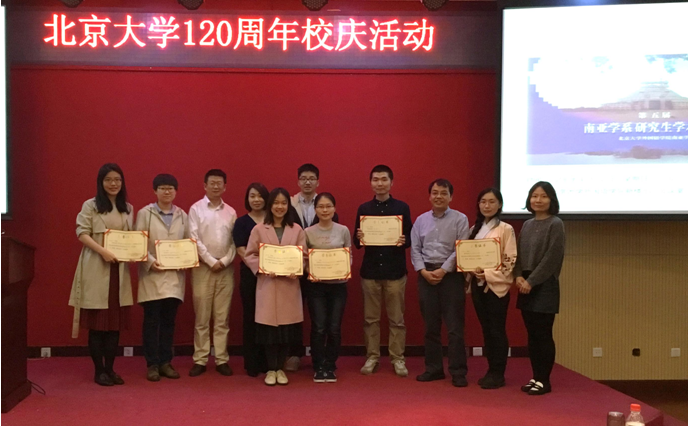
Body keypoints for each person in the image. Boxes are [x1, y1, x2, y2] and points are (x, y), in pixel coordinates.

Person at [69, 163, 134, 386]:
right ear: (101, 182)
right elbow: (81, 233)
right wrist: (103, 252)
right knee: (98, 325)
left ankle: (110, 369)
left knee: (114, 325)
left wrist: (134, 251)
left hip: (118, 272)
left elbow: (131, 239)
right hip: (96, 269)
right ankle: (99, 371)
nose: (113, 184)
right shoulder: (90, 206)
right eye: (108, 180)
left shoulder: (128, 208)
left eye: (117, 179)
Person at [353, 165, 413, 377]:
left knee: (397, 319)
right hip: (370, 272)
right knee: (371, 319)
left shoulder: (402, 207)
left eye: (384, 179)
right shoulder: (364, 209)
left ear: (391, 182)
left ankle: (398, 358)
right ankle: (372, 357)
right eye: (376, 179)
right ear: (371, 183)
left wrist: (404, 240)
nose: (380, 183)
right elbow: (356, 243)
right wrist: (359, 237)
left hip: (395, 272)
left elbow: (410, 238)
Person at [245, 188, 307, 386]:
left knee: (286, 330)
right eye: (276, 203)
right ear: (270, 205)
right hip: (268, 285)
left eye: (283, 203)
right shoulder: (259, 229)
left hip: (289, 285)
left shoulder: (297, 229)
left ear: (288, 205)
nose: (280, 207)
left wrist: (297, 268)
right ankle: (271, 369)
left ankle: (281, 368)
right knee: (269, 331)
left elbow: (304, 256)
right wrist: (263, 267)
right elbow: (250, 255)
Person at [411, 179, 470, 387]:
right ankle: (434, 369)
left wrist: (444, 270)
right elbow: (415, 249)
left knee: (455, 327)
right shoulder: (420, 220)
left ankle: (458, 371)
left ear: (450, 197)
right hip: (426, 275)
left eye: (443, 193)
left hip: (451, 277)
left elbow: (460, 248)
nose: (438, 196)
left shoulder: (460, 219)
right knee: (431, 327)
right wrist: (423, 271)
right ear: (429, 196)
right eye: (435, 192)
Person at [135, 174, 189, 382]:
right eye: (163, 188)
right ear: (155, 191)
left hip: (174, 276)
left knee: (168, 322)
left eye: (171, 188)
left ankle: (166, 362)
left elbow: (187, 242)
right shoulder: (145, 213)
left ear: (176, 191)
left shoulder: (182, 215)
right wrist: (150, 262)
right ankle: (152, 364)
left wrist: (186, 259)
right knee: (151, 321)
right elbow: (138, 243)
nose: (167, 191)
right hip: (152, 275)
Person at [514, 181, 565, 396]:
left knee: (543, 334)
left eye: (543, 196)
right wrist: (518, 276)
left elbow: (552, 258)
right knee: (532, 334)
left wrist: (531, 281)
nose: (538, 200)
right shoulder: (527, 225)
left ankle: (544, 380)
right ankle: (535, 377)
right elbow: (518, 254)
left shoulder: (556, 224)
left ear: (551, 200)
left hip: (544, 283)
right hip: (525, 282)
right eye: (534, 196)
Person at [286, 163, 339, 372]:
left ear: (318, 181)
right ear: (298, 181)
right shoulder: (289, 204)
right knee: (294, 312)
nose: (307, 182)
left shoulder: (325, 204)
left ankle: (323, 358)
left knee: (322, 319)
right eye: (303, 178)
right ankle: (294, 354)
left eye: (311, 178)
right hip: (295, 268)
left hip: (323, 272)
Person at [465, 188, 517, 389]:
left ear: (500, 204)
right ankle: (491, 369)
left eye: (492, 201)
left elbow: (509, 259)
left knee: (497, 330)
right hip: (478, 287)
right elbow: (467, 255)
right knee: (486, 330)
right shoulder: (474, 229)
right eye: (483, 202)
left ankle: (498, 372)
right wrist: (471, 269)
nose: (487, 205)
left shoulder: (506, 229)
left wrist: (486, 273)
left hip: (496, 287)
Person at [188, 169, 237, 377]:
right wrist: (209, 260)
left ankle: (221, 359)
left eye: (219, 183)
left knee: (222, 317)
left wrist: (223, 261)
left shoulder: (231, 212)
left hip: (225, 268)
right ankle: (200, 359)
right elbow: (193, 238)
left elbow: (235, 242)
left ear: (225, 187)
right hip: (202, 268)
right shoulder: (195, 209)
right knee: (202, 317)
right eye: (212, 183)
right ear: (205, 185)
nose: (216, 186)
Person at [305, 193, 351, 383]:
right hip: (316, 287)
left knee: (334, 328)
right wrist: (311, 270)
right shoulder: (308, 232)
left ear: (334, 208)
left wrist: (344, 269)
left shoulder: (343, 230)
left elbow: (348, 256)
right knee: (318, 327)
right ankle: (318, 365)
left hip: (338, 286)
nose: (325, 210)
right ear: (315, 210)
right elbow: (303, 259)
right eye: (321, 207)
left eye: (328, 206)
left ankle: (330, 365)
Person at [232, 182, 270, 377]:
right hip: (251, 275)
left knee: (269, 318)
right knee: (251, 316)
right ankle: (252, 362)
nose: (256, 200)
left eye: (260, 196)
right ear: (247, 199)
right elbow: (241, 250)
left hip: (273, 276)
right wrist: (259, 267)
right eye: (252, 196)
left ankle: (269, 361)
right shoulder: (241, 223)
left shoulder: (273, 220)